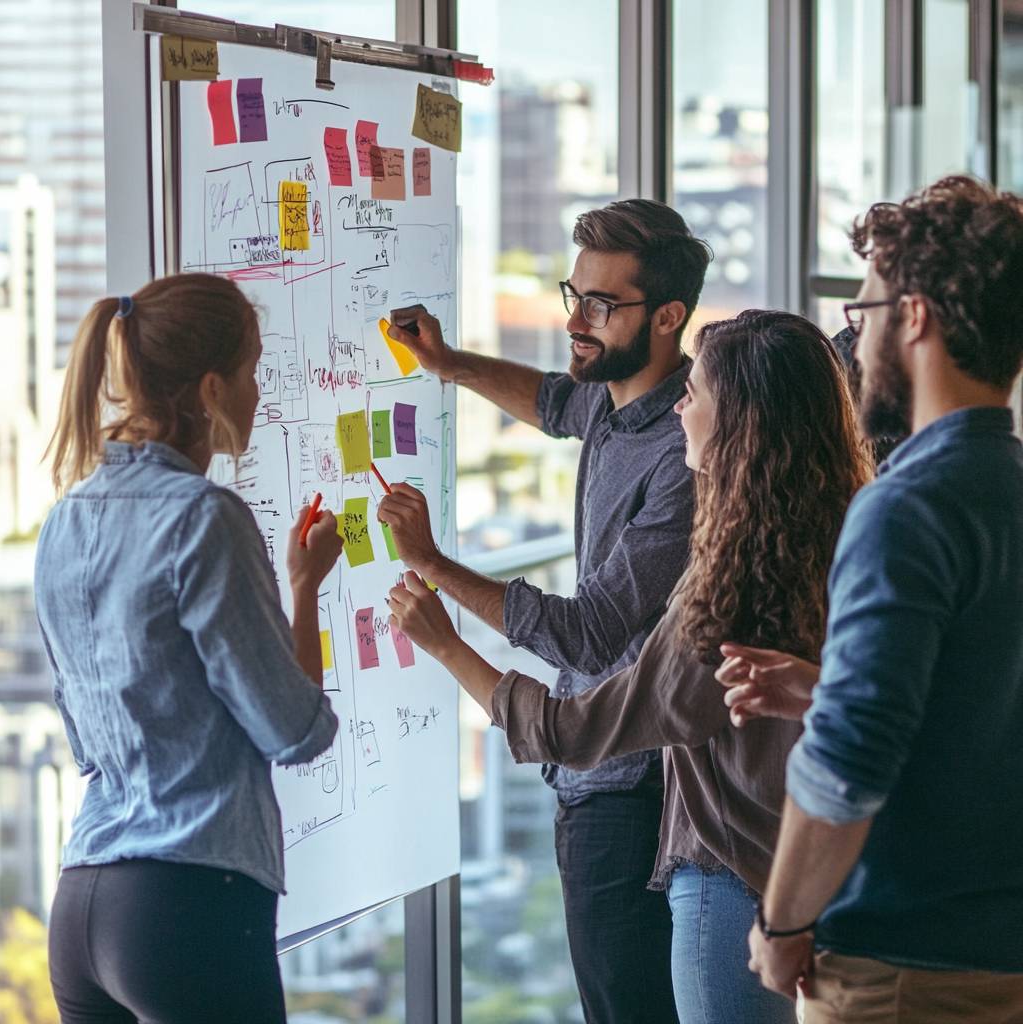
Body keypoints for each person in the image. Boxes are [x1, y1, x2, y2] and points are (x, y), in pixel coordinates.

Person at [383, 310, 873, 1023]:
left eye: (693, 395)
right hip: (833, 876)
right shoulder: (858, 546)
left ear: (735, 426)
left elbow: (572, 728)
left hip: (731, 887)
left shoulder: (727, 591)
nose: (678, 410)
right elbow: (561, 402)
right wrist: (452, 364)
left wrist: (445, 638)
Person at [380, 199, 710, 1022]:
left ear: (667, 317)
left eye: (600, 305)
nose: (574, 321)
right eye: (575, 295)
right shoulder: (615, 398)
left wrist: (433, 564)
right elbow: (553, 401)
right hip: (599, 773)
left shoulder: (682, 454)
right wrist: (449, 364)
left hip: (630, 788)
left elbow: (590, 635)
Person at [720, 177, 1023, 1023]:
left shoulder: (906, 505)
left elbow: (849, 762)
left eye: (865, 314)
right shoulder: (1008, 485)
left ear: (914, 318)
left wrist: (781, 924)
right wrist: (824, 688)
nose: (855, 343)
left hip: (900, 970)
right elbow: (982, 707)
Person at [37, 273, 344, 1024]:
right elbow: (296, 731)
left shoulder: (64, 519)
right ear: (211, 389)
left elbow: (87, 743)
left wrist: (296, 584)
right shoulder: (206, 516)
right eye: (251, 371)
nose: (258, 392)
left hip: (83, 905)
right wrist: (305, 591)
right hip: (188, 905)